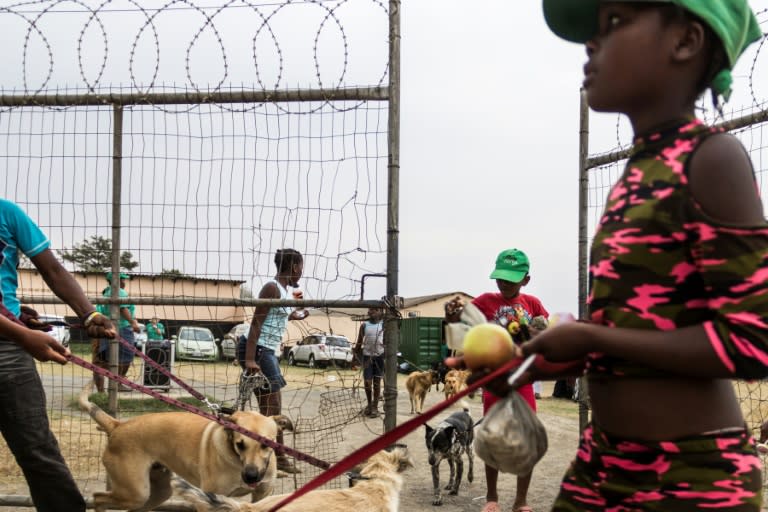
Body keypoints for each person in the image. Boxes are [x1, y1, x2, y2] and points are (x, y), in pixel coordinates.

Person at [462, 2, 767, 510]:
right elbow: (644, 335)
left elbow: (753, 341)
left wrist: (590, 335)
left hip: (691, 478)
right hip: (604, 463)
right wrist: (550, 360)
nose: (591, 43)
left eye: (616, 24)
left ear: (686, 41)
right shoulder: (635, 176)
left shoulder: (712, 159)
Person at [0, 198, 115, 512]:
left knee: (37, 449)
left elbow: (52, 269)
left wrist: (89, 315)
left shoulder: (7, 213)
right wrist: (23, 335)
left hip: (7, 349)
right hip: (13, 339)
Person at [445, 248, 548, 512]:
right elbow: (461, 334)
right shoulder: (483, 302)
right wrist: (452, 318)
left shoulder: (533, 304)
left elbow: (543, 336)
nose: (504, 283)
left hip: (522, 380)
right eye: (500, 278)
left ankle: (521, 500)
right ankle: (492, 498)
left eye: (511, 279)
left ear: (525, 279)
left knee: (526, 437)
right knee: (493, 436)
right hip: (493, 380)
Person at [237, 248, 307, 473]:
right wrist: (249, 359)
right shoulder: (271, 287)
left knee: (267, 408)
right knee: (274, 406)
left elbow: (278, 315)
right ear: (295, 267)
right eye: (301, 267)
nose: (301, 273)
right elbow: (256, 323)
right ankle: (279, 457)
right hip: (258, 350)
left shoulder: (286, 292)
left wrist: (295, 315)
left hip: (267, 350)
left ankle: (260, 454)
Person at [93, 272, 140, 391]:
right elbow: (123, 308)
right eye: (123, 279)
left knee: (103, 359)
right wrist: (133, 323)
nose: (124, 282)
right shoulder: (119, 292)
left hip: (105, 327)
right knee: (127, 356)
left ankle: (101, 391)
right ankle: (118, 383)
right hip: (121, 327)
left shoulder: (105, 292)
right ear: (116, 281)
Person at [354, 307, 385, 418]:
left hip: (380, 357)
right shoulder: (364, 325)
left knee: (377, 383)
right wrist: (354, 357)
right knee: (367, 382)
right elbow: (359, 342)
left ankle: (375, 407)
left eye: (373, 310)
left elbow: (387, 341)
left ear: (379, 311)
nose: (370, 312)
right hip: (367, 357)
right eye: (369, 310)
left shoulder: (383, 325)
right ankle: (369, 404)